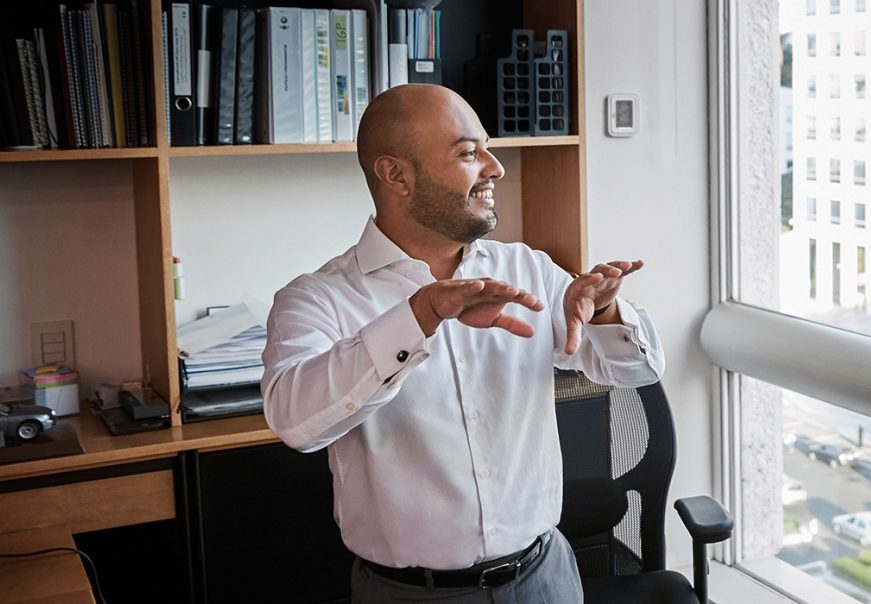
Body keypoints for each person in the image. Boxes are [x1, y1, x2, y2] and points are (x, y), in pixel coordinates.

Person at [261, 84, 666, 603]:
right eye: (469, 153)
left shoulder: (526, 268)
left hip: (547, 579)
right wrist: (421, 315)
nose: (495, 168)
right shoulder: (318, 298)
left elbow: (638, 372)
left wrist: (606, 311)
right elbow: (296, 423)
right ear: (396, 175)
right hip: (410, 594)